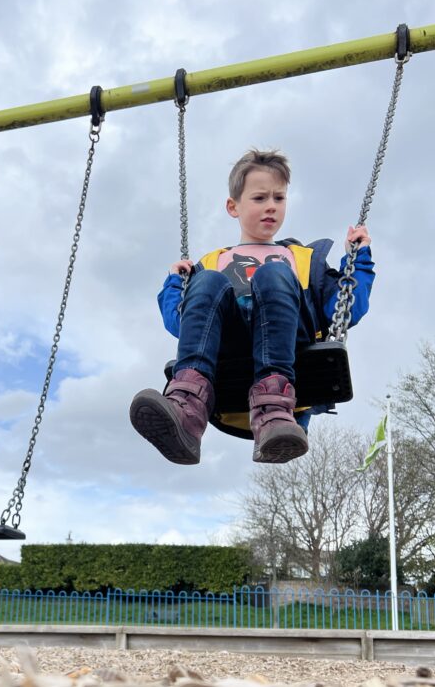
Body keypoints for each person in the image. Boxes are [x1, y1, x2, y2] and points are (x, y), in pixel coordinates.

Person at [129, 148, 374, 465]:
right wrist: (176, 283)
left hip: (287, 345)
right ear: (233, 206)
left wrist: (358, 259)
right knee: (209, 283)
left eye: (279, 198)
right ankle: (187, 409)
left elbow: (345, 308)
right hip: (228, 351)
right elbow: (183, 324)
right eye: (259, 198)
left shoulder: (302, 259)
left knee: (273, 274)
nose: (271, 206)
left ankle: (273, 408)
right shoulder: (211, 263)